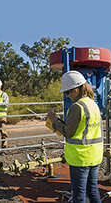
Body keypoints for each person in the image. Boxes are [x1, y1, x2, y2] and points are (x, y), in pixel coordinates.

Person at [47, 70, 103, 203]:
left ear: (76, 90)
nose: (66, 96)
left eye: (67, 92)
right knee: (93, 190)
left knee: (78, 195)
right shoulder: (92, 104)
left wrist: (52, 121)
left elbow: (68, 133)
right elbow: (83, 128)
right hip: (94, 155)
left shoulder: (77, 107)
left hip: (80, 158)